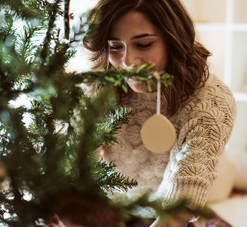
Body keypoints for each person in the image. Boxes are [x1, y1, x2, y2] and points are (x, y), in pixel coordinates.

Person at [83, 0, 236, 226]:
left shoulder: (211, 99)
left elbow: (177, 209)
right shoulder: (99, 89)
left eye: (144, 44)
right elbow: (74, 172)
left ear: (173, 39)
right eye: (115, 47)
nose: (128, 63)